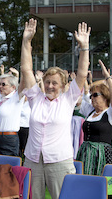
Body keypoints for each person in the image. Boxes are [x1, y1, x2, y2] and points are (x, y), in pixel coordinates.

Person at [21, 19, 91, 199]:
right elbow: (26, 70)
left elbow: (82, 73)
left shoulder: (68, 100)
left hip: (59, 161)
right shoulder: (35, 98)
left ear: (63, 85)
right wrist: (26, 41)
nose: (50, 86)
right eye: (47, 82)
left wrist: (84, 47)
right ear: (42, 83)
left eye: (54, 83)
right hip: (33, 160)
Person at [76, 59, 112, 175]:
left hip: (102, 156)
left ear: (105, 97)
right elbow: (76, 98)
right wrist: (82, 72)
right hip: (85, 153)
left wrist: (106, 76)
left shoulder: (110, 113)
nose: (92, 98)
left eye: (95, 95)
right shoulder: (90, 111)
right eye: (91, 96)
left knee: (100, 183)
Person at [0, 43, 25, 157]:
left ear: (13, 87)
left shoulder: (17, 97)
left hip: (10, 139)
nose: (0, 86)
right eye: (0, 84)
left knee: (8, 168)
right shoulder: (0, 95)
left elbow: (24, 81)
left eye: (4, 84)